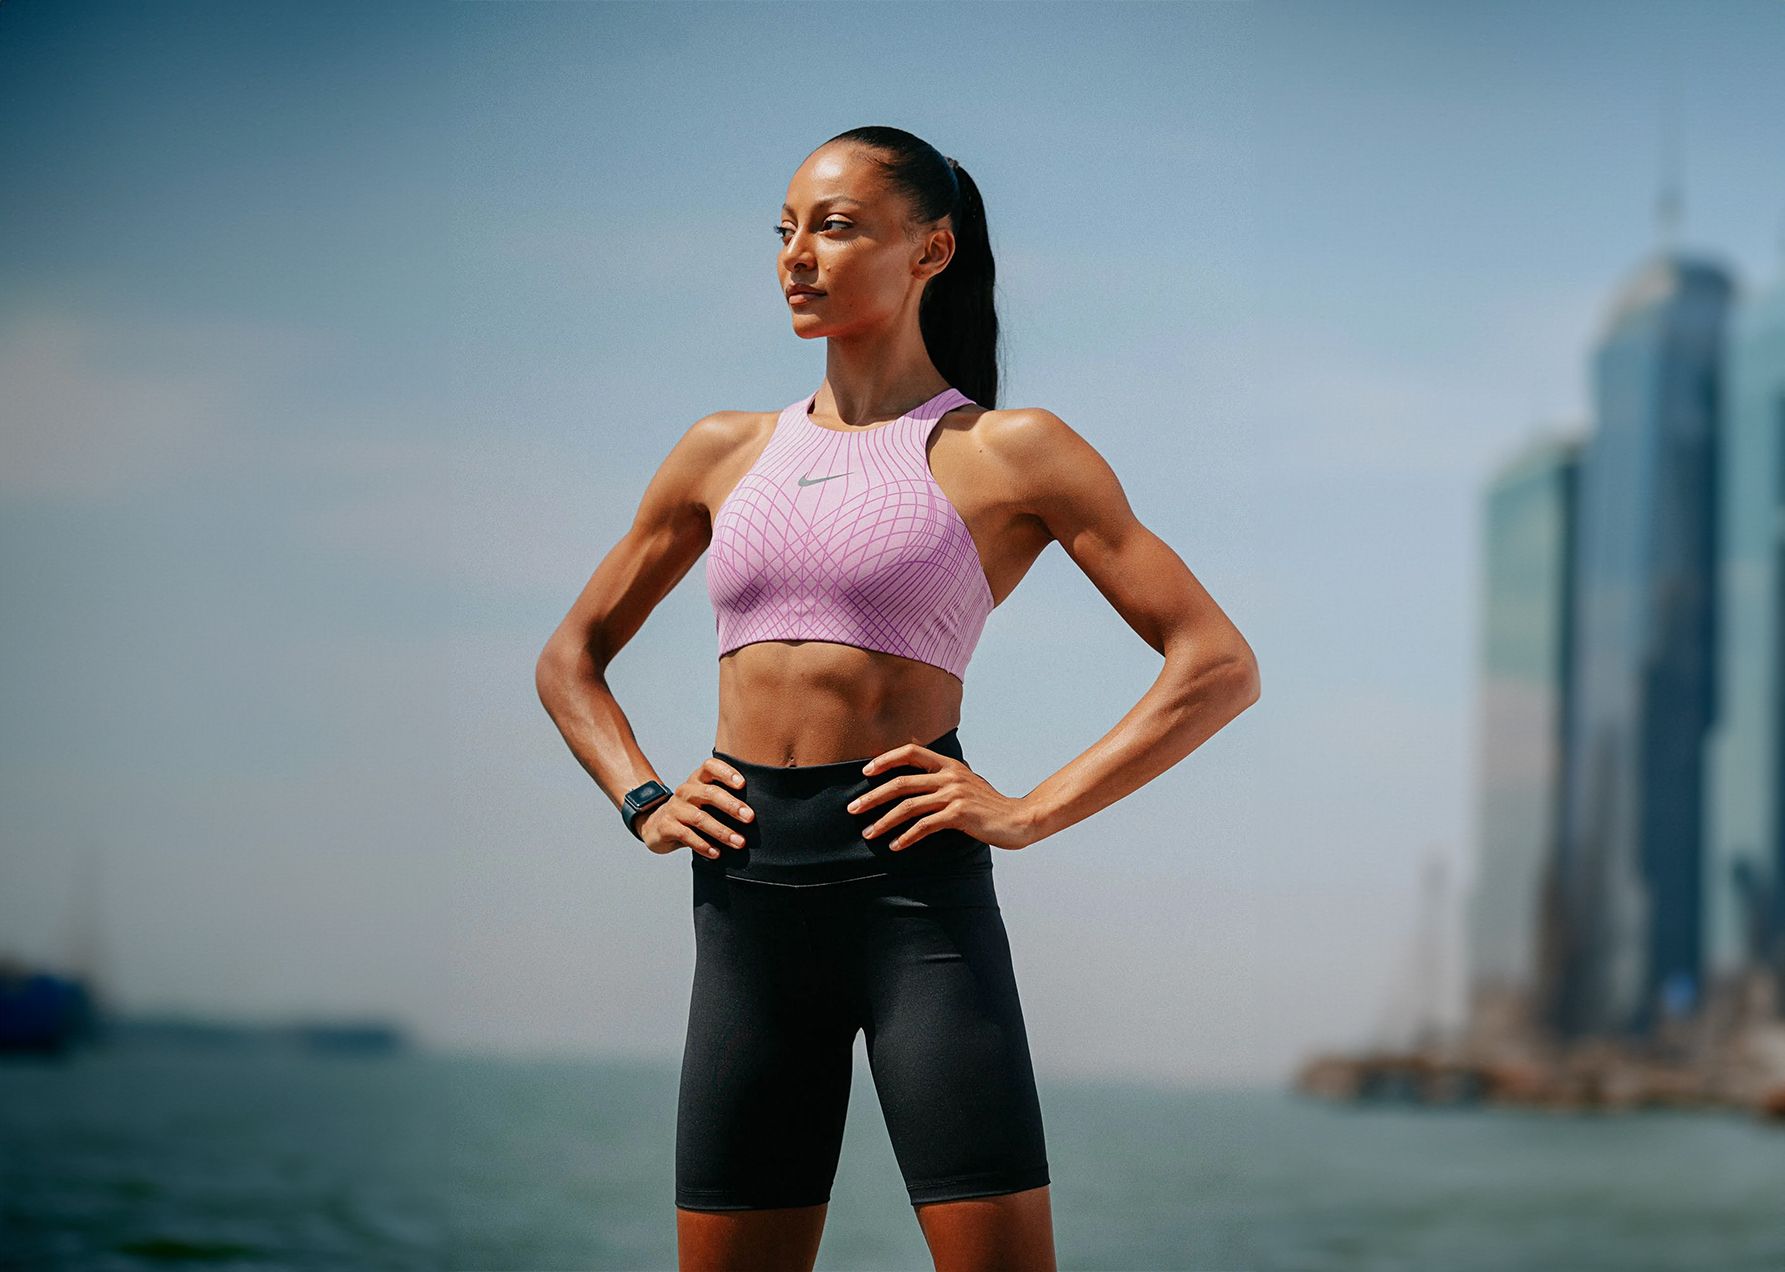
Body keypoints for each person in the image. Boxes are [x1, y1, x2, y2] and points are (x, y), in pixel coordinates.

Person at [536, 125, 1260, 1272]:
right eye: (785, 231)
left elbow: (1216, 663)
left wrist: (1026, 812)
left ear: (931, 248)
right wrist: (642, 797)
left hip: (913, 897)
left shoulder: (1008, 452)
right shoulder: (720, 452)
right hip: (743, 899)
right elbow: (570, 656)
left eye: (835, 227)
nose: (797, 256)